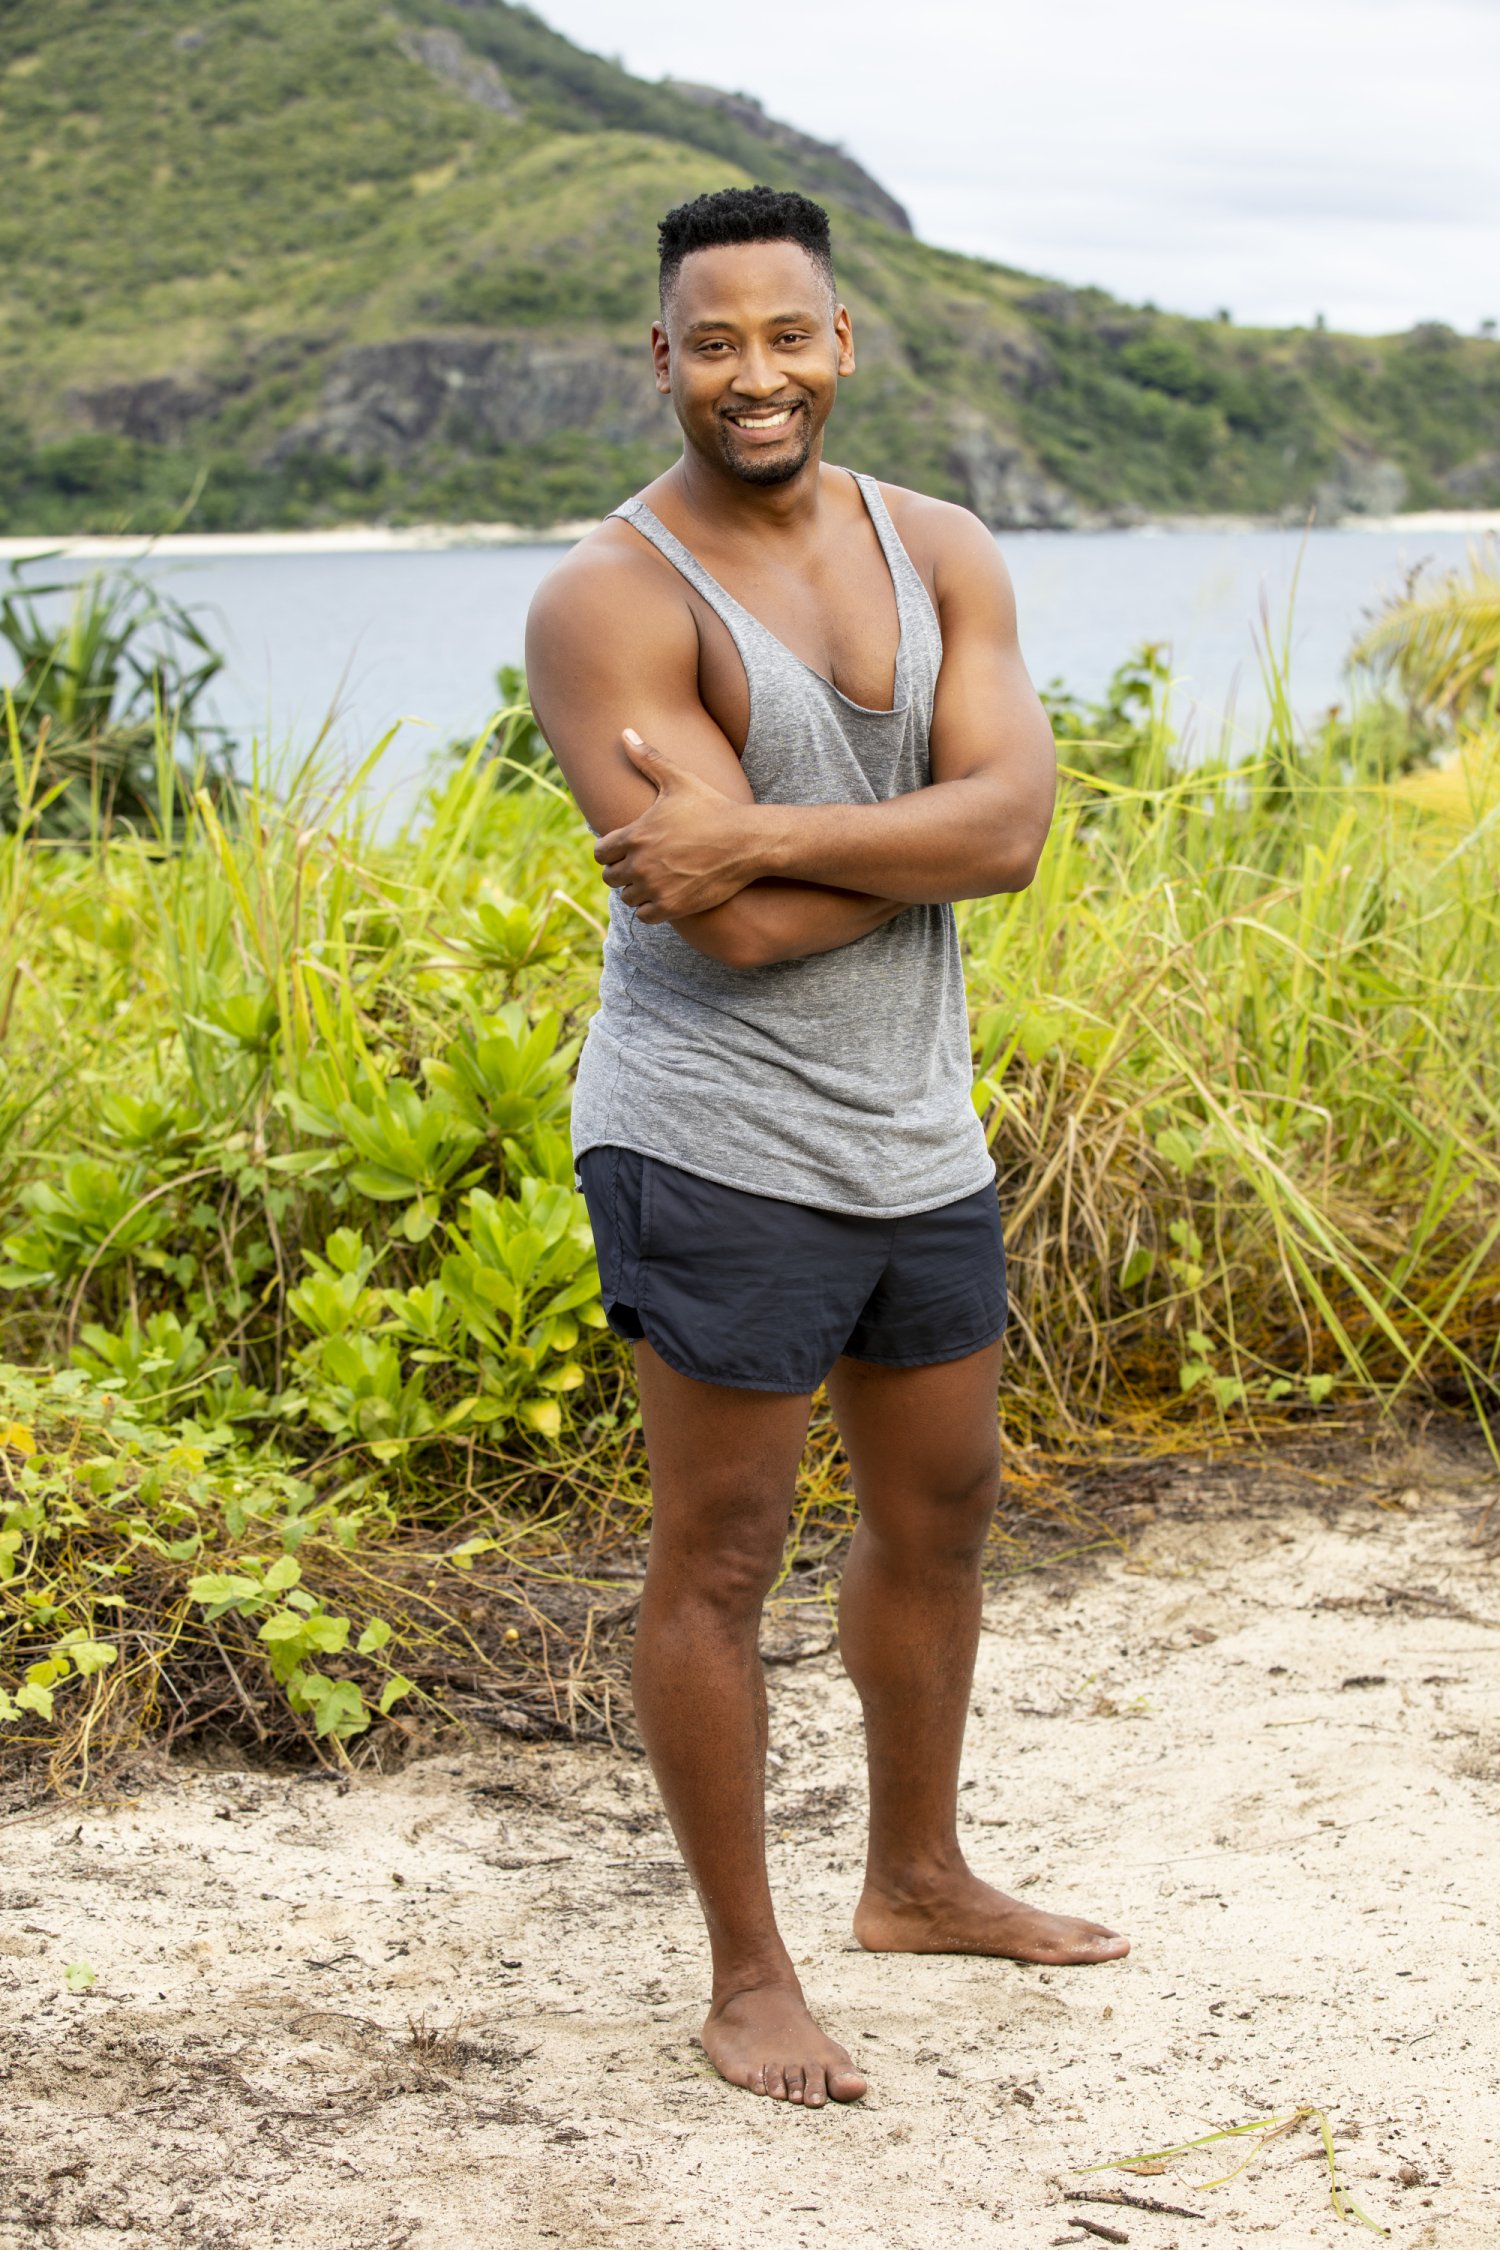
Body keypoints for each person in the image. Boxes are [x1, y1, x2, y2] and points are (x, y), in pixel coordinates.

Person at [525, 184, 1128, 2112]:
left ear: (842, 343)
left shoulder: (939, 546)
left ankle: (917, 1878)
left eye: (788, 335)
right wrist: (937, 830)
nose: (756, 373)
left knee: (943, 1510)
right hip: (711, 1136)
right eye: (715, 342)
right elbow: (742, 932)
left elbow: (1009, 831)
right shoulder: (610, 601)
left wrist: (776, 829)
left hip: (912, 1124)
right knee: (718, 1553)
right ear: (664, 359)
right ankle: (749, 1974)